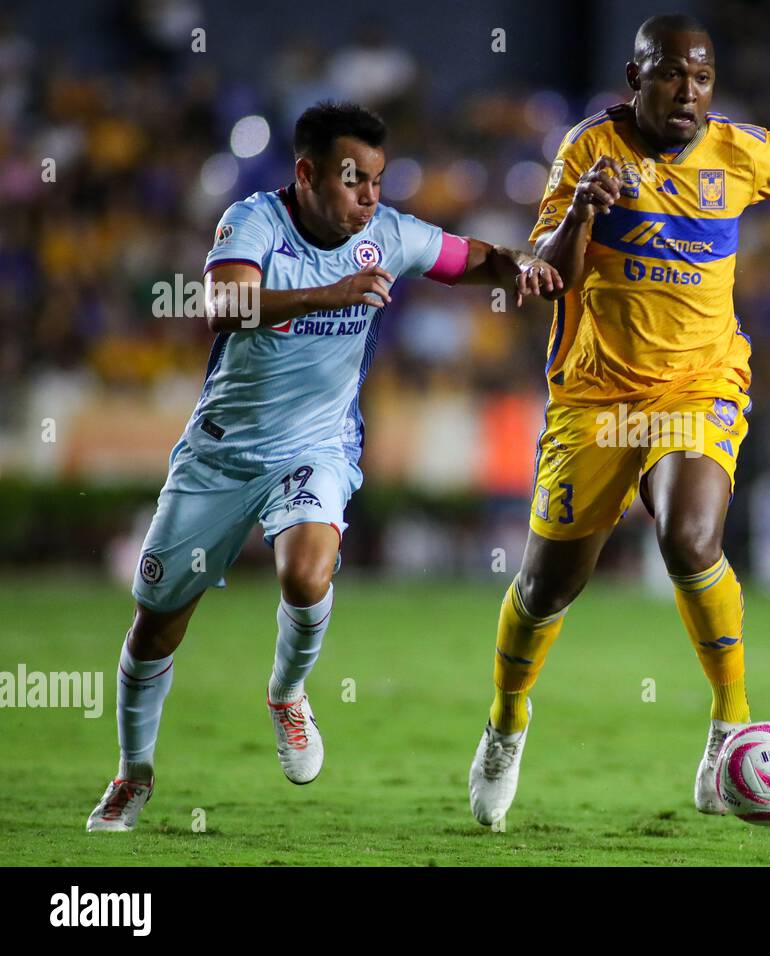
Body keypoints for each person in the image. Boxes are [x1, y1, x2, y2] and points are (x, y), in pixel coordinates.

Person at [467, 14, 770, 825]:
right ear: (634, 77)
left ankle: (728, 727)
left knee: (690, 538)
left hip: (702, 386)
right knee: (547, 589)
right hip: (598, 397)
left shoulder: (741, 151)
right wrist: (583, 209)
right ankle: (507, 721)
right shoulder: (588, 150)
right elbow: (544, 271)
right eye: (670, 75)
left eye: (702, 77)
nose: (688, 92)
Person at [87, 100, 560, 831]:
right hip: (221, 451)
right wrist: (328, 292)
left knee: (306, 575)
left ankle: (287, 693)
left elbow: (472, 259)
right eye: (354, 180)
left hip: (317, 446)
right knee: (155, 624)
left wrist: (519, 264)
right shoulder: (253, 222)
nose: (370, 197)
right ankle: (133, 774)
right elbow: (222, 303)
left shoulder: (391, 234)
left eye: (377, 180)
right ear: (306, 174)